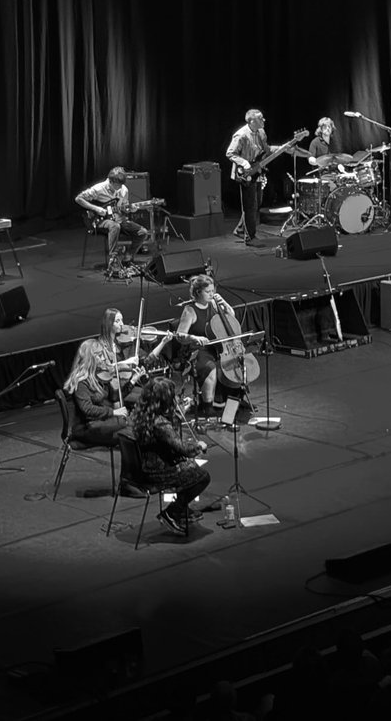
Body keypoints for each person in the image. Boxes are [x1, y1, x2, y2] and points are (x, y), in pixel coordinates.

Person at [130, 376, 210, 534]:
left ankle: (181, 509)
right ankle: (172, 511)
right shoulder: (160, 423)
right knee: (202, 477)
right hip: (157, 472)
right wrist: (198, 446)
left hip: (145, 465)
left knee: (190, 468)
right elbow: (182, 449)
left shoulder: (141, 415)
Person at [175, 274, 236, 416]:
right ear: (198, 293)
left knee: (233, 364)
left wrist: (224, 304)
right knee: (211, 368)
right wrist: (194, 337)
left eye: (212, 291)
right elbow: (180, 336)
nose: (211, 294)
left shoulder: (213, 304)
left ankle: (227, 403)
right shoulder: (190, 310)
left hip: (216, 348)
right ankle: (208, 407)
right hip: (196, 351)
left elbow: (231, 317)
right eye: (208, 292)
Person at [226, 108, 284, 244]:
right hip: (245, 173)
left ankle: (241, 230)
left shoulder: (261, 132)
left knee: (256, 202)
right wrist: (244, 162)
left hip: (257, 170)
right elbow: (230, 153)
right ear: (251, 121)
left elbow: (266, 150)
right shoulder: (241, 135)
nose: (263, 120)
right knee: (250, 205)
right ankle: (250, 237)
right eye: (260, 118)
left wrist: (283, 148)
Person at [75, 166, 149, 264]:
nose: (119, 188)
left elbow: (124, 209)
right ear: (110, 181)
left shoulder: (124, 190)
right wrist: (96, 208)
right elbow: (79, 199)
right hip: (99, 220)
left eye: (121, 185)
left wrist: (130, 209)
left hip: (118, 219)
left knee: (142, 232)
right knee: (115, 226)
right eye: (117, 185)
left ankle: (128, 256)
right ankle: (113, 260)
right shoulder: (99, 189)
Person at [62, 339, 129, 446]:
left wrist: (133, 380)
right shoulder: (81, 382)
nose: (103, 358)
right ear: (90, 358)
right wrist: (113, 412)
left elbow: (113, 397)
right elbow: (87, 409)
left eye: (102, 354)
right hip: (87, 427)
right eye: (99, 355)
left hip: (99, 421)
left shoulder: (96, 376)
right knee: (128, 429)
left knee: (131, 427)